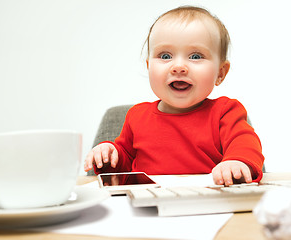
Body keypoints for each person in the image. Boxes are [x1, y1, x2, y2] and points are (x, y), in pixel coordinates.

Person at [84, 6, 264, 186]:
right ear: (149, 67)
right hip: (149, 202)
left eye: (195, 56)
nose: (178, 66)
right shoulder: (136, 116)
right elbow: (122, 167)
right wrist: (109, 154)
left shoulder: (225, 111)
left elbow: (245, 143)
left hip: (207, 200)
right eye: (165, 55)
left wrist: (237, 162)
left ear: (220, 73)